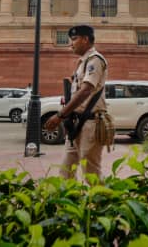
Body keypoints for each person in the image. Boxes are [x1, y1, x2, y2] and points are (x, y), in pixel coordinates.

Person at [44, 25, 108, 180]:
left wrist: (60, 115)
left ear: (86, 39)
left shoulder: (95, 60)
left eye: (74, 39)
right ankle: (67, 202)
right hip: (77, 123)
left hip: (91, 123)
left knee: (91, 173)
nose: (70, 44)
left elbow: (86, 90)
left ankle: (105, 203)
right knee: (66, 171)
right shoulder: (83, 62)